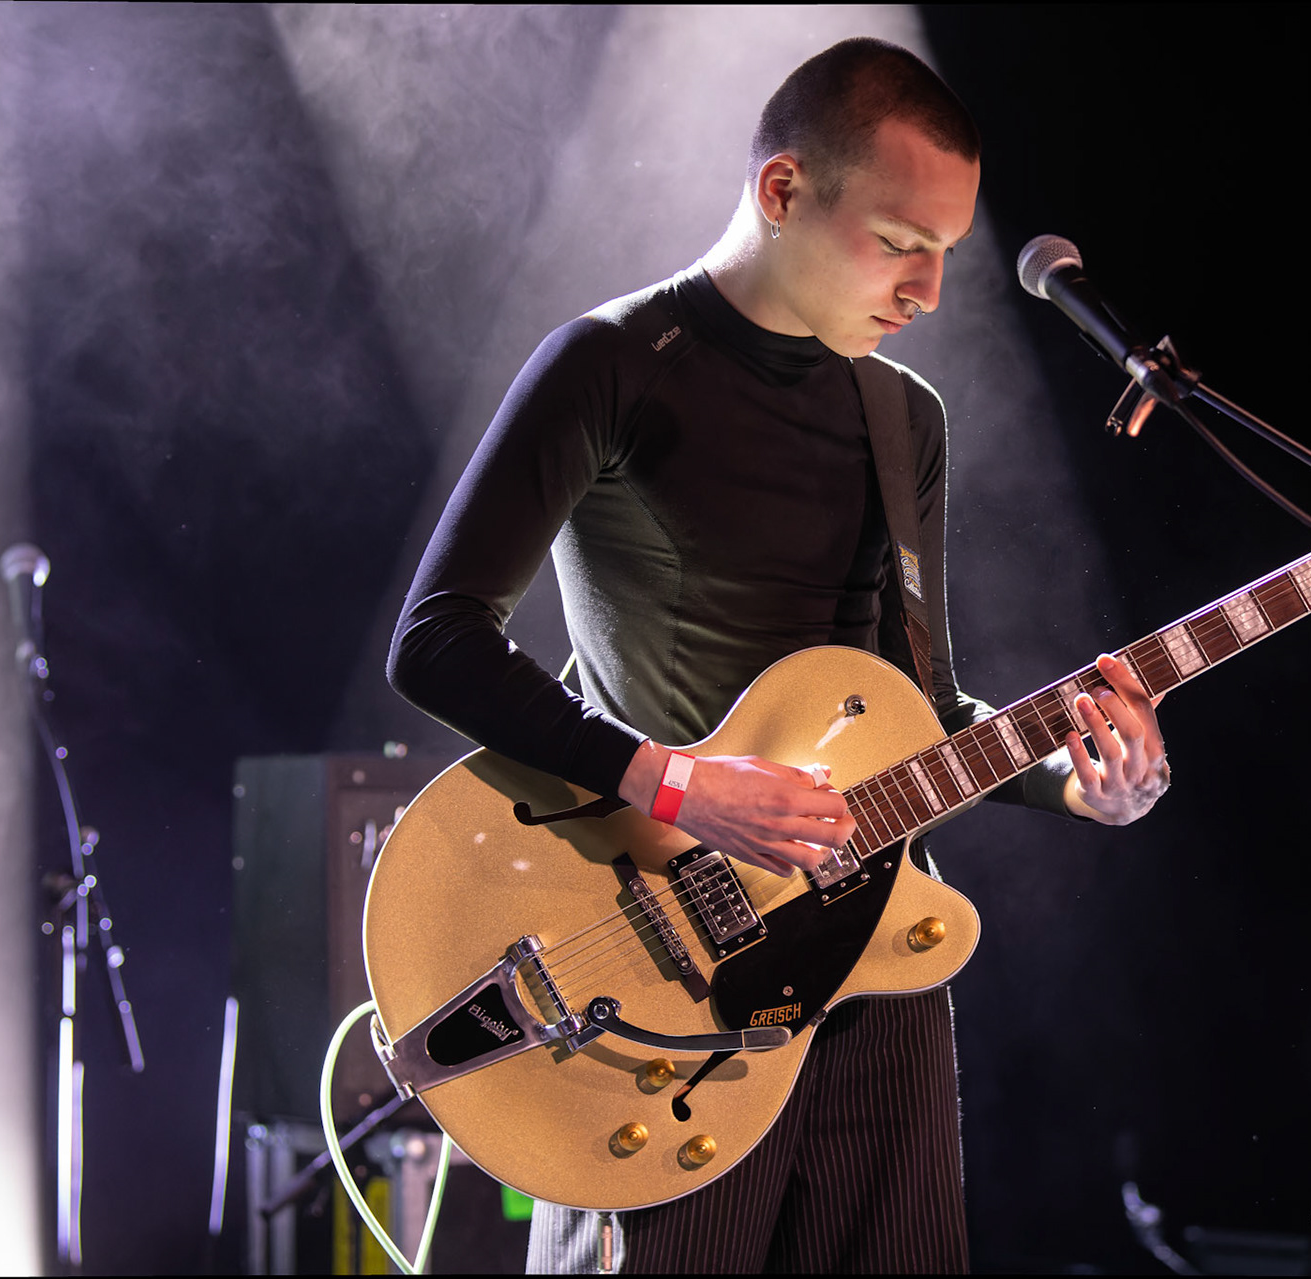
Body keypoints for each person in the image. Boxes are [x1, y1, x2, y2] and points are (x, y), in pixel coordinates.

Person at [388, 36, 1170, 1273]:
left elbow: (928, 704)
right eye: (901, 242)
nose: (926, 290)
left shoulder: (904, 416)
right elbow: (435, 641)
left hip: (876, 977)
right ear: (785, 191)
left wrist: (1082, 785)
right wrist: (678, 782)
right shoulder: (610, 364)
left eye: (948, 254)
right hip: (660, 977)